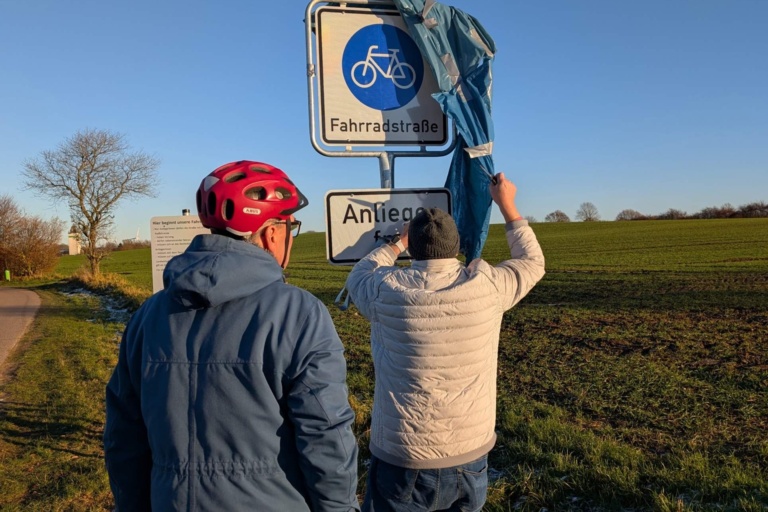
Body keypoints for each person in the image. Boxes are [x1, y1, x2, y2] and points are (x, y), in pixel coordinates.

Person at [104, 160, 360, 511]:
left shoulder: (147, 316)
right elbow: (326, 436)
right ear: (272, 233)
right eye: (290, 226)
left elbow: (123, 438)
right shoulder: (299, 313)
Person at [345, 172, 545, 512]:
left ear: (416, 249)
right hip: (469, 455)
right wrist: (507, 204)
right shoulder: (488, 287)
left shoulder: (386, 290)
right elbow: (532, 262)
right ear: (456, 247)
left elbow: (359, 275)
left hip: (402, 457)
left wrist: (396, 244)